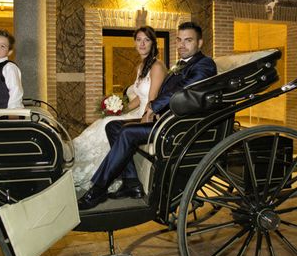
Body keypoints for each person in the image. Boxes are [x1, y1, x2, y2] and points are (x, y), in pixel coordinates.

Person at [77, 22, 217, 210]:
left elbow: (183, 89)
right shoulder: (180, 65)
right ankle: (132, 183)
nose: (182, 45)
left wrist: (152, 107)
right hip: (165, 119)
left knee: (127, 132)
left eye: (188, 40)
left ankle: (98, 189)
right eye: (179, 40)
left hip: (179, 125)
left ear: (200, 43)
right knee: (113, 126)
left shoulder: (204, 64)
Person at [71, 26, 166, 189]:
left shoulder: (157, 66)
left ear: (153, 44)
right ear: (135, 43)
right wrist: (120, 109)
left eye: (147, 40)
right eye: (139, 40)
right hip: (138, 110)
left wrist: (140, 117)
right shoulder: (140, 67)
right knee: (107, 119)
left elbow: (151, 100)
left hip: (148, 114)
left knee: (109, 124)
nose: (142, 44)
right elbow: (138, 97)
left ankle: (103, 177)